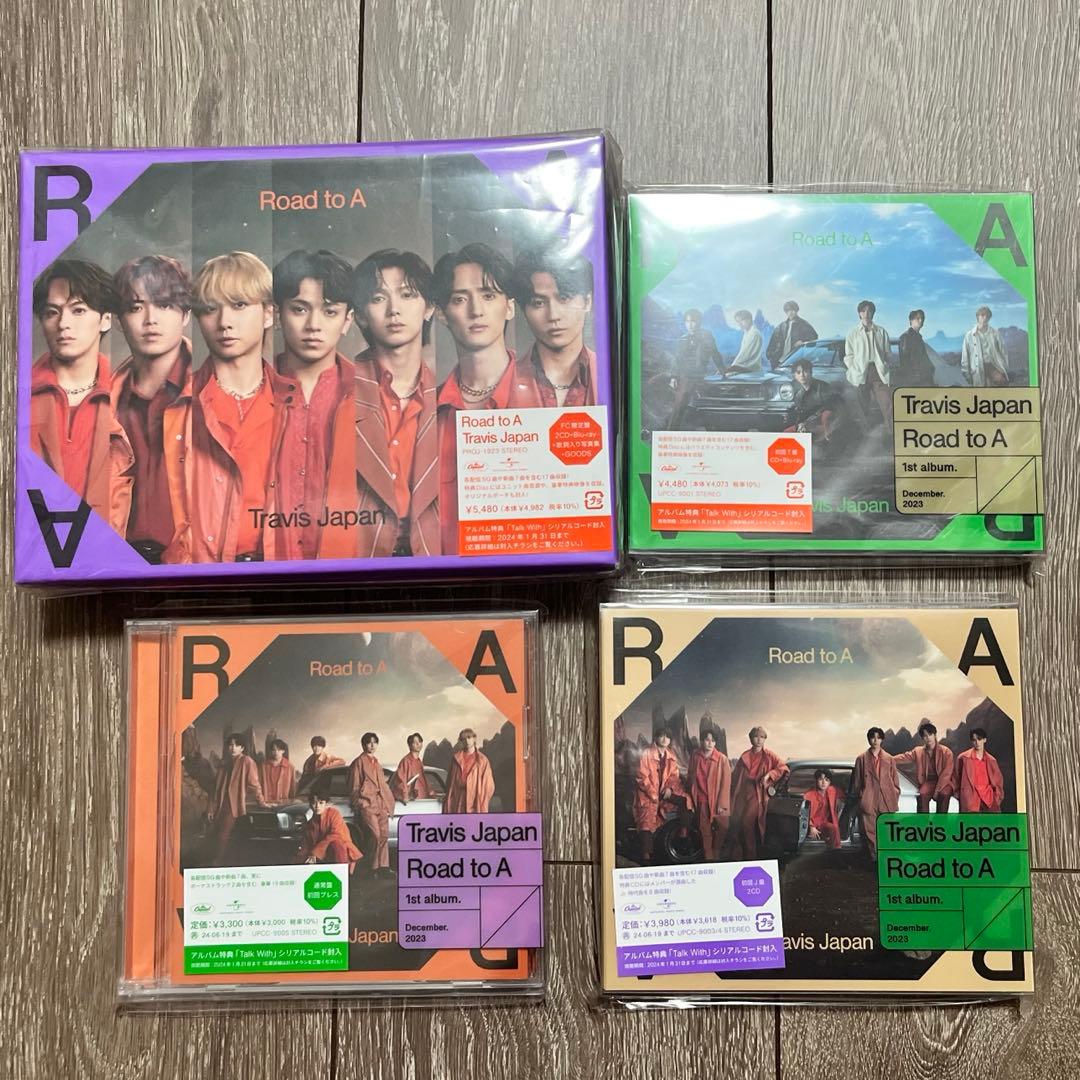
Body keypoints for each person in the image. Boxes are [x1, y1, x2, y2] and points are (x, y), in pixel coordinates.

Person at [433, 243, 542, 554]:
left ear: (509, 307)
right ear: (441, 313)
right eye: (459, 299)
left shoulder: (547, 398)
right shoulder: (426, 412)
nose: (476, 310)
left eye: (489, 295)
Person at [188, 251, 292, 563]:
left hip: (282, 573)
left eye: (239, 305)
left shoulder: (296, 402)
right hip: (204, 574)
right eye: (210, 309)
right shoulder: (180, 404)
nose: (224, 322)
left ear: (269, 314)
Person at [265, 249, 357, 561]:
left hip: (346, 572)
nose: (313, 325)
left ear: (347, 320)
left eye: (330, 311)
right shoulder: (253, 388)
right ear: (278, 314)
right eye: (300, 309)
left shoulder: (367, 395)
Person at [30, 259, 133, 534]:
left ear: (105, 319)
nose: (63, 323)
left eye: (78, 310)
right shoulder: (16, 400)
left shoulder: (127, 396)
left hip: (104, 552)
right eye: (52, 312)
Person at [352, 249, 439, 557]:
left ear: (429, 307)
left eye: (407, 294)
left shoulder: (446, 393)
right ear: (360, 314)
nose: (394, 310)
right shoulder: (340, 388)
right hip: (358, 559)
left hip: (433, 561)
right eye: (378, 298)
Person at [110, 255, 195, 563]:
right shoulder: (105, 399)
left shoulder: (210, 388)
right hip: (118, 565)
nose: (150, 319)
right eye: (135, 307)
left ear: (186, 315)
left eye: (164, 305)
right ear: (118, 320)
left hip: (191, 566)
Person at [513, 247, 597, 406]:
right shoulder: (504, 382)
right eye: (538, 303)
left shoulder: (612, 375)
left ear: (587, 301)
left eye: (564, 298)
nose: (553, 315)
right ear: (524, 310)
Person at [729, 727, 788, 860]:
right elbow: (735, 776)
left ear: (765, 739)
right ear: (751, 739)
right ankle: (739, 856)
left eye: (762, 737)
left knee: (747, 822)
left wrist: (769, 775)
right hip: (742, 791)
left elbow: (783, 768)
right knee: (736, 822)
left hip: (758, 792)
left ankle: (751, 856)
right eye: (756, 736)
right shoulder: (745, 755)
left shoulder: (769, 755)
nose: (758, 740)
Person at [207, 733, 267, 865]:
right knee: (212, 833)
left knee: (223, 835)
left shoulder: (247, 762)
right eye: (230, 745)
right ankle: (214, 862)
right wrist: (210, 808)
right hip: (221, 804)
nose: (233, 747)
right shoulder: (225, 763)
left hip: (233, 805)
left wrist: (262, 802)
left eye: (236, 745)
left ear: (242, 748)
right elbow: (215, 789)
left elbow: (255, 784)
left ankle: (216, 862)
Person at [633, 728, 690, 864]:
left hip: (663, 791)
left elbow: (674, 776)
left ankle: (683, 835)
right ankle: (646, 857)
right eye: (661, 736)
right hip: (648, 794)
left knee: (686, 800)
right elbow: (641, 777)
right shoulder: (647, 753)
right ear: (656, 737)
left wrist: (669, 788)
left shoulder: (670, 755)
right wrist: (653, 794)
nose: (664, 739)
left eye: (667, 737)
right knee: (646, 821)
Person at [348, 733, 395, 871]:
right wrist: (360, 803)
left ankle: (384, 867)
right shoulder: (358, 762)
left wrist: (386, 803)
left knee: (384, 836)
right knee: (375, 836)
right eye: (369, 742)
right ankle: (373, 868)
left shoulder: (377, 763)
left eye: (375, 742)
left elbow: (383, 785)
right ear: (364, 745)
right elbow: (354, 786)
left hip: (380, 803)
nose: (372, 745)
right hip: (367, 804)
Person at [850, 727, 900, 859]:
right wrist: (862, 796)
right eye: (872, 737)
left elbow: (895, 781)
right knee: (870, 831)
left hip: (886, 798)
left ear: (882, 739)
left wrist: (893, 795)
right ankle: (874, 858)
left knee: (886, 829)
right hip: (869, 797)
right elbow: (857, 782)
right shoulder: (861, 759)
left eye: (878, 737)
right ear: (869, 739)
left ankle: (885, 857)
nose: (875, 740)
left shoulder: (889, 759)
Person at [666, 309, 720, 428]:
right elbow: (677, 359)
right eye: (687, 321)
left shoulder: (706, 335)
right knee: (679, 405)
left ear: (699, 321)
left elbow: (715, 353)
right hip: (686, 376)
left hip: (702, 375)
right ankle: (671, 431)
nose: (690, 324)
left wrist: (723, 370)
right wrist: (673, 377)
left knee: (711, 405)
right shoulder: (683, 339)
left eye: (693, 321)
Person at [843, 300, 892, 426]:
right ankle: (864, 434)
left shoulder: (881, 331)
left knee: (887, 403)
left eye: (869, 311)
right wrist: (854, 369)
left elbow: (888, 353)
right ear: (859, 313)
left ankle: (892, 432)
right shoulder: (853, 333)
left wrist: (885, 365)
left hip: (878, 371)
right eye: (863, 311)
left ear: (873, 313)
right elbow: (849, 355)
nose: (866, 313)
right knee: (862, 407)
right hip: (860, 372)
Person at [891, 720, 954, 813]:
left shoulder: (946, 752)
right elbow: (904, 757)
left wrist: (937, 791)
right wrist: (888, 759)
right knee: (922, 795)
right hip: (928, 782)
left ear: (935, 735)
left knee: (944, 794)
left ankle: (941, 820)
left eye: (930, 734)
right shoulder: (918, 751)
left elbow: (946, 774)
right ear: (922, 738)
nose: (928, 738)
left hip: (944, 782)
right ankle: (922, 820)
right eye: (925, 736)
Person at [687, 730, 731, 861]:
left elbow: (726, 783)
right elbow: (690, 776)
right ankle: (709, 857)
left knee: (723, 827)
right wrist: (691, 797)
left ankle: (716, 851)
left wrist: (722, 804)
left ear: (715, 743)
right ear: (702, 741)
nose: (710, 743)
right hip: (702, 799)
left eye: (713, 741)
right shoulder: (695, 756)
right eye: (707, 740)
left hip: (718, 800)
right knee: (704, 830)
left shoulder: (722, 759)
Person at [297, 793, 361, 874]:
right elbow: (306, 845)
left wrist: (315, 853)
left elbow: (336, 835)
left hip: (341, 854)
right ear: (310, 804)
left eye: (321, 803)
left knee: (336, 844)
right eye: (314, 803)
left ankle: (342, 874)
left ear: (326, 804)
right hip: (323, 858)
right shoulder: (310, 824)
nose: (317, 806)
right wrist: (297, 864)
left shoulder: (334, 814)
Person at [783, 358, 839, 442]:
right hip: (806, 424)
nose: (802, 375)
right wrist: (799, 425)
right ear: (795, 376)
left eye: (805, 371)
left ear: (811, 372)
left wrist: (806, 424)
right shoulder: (797, 392)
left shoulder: (823, 387)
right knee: (786, 433)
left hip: (822, 423)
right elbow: (800, 413)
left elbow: (828, 408)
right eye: (798, 372)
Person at [952, 728, 1005, 812]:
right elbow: (956, 777)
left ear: (984, 740)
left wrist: (997, 798)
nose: (977, 742)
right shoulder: (963, 758)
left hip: (988, 799)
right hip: (970, 798)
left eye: (979, 739)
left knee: (991, 820)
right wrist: (958, 794)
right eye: (974, 740)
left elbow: (998, 781)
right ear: (971, 741)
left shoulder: (991, 760)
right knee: (970, 820)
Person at [444, 728, 496, 813]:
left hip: (475, 799)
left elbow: (489, 786)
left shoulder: (482, 760)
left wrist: (481, 799)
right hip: (458, 798)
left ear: (474, 738)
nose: (467, 741)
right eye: (463, 739)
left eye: (469, 737)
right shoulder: (456, 758)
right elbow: (450, 782)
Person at [961, 306, 1010, 387]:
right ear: (978, 317)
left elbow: (1003, 352)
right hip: (977, 367)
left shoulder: (995, 333)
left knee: (1002, 383)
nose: (985, 318)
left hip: (993, 365)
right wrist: (966, 374)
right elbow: (965, 356)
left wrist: (1004, 367)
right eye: (982, 315)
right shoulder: (969, 335)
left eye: (987, 316)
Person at [766, 300, 818, 369]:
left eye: (793, 310)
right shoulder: (782, 326)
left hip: (794, 360)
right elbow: (773, 341)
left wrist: (803, 341)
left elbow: (814, 337)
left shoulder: (804, 324)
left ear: (796, 310)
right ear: (786, 312)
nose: (790, 312)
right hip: (779, 361)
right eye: (788, 310)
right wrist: (770, 356)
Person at [803, 769, 843, 849]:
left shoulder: (832, 791)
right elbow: (804, 813)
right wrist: (811, 827)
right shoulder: (809, 795)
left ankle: (836, 851)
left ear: (830, 782)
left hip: (824, 824)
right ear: (816, 780)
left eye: (827, 780)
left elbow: (843, 795)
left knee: (833, 828)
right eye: (820, 779)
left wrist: (839, 800)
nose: (823, 782)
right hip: (811, 824)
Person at [895, 309, 935, 388]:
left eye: (922, 318)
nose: (921, 320)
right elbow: (906, 361)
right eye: (918, 318)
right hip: (913, 378)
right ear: (911, 320)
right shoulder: (906, 337)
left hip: (921, 375)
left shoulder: (918, 337)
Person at [391, 732, 431, 803]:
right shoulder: (406, 761)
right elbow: (400, 780)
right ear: (409, 745)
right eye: (415, 742)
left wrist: (431, 794)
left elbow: (424, 782)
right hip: (411, 800)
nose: (418, 744)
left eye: (420, 741)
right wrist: (404, 796)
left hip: (422, 799)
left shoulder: (419, 762)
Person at [725, 309, 764, 375]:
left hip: (750, 369)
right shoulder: (747, 333)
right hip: (746, 367)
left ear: (749, 319)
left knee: (727, 375)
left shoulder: (754, 333)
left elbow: (745, 355)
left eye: (742, 320)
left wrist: (732, 367)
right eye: (738, 322)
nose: (740, 324)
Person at [260, 738, 297, 804]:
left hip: (283, 803)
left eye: (279, 750)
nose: (276, 752)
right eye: (274, 750)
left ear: (283, 751)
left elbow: (292, 788)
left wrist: (291, 802)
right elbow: (258, 785)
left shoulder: (290, 767)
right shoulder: (264, 766)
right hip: (267, 802)